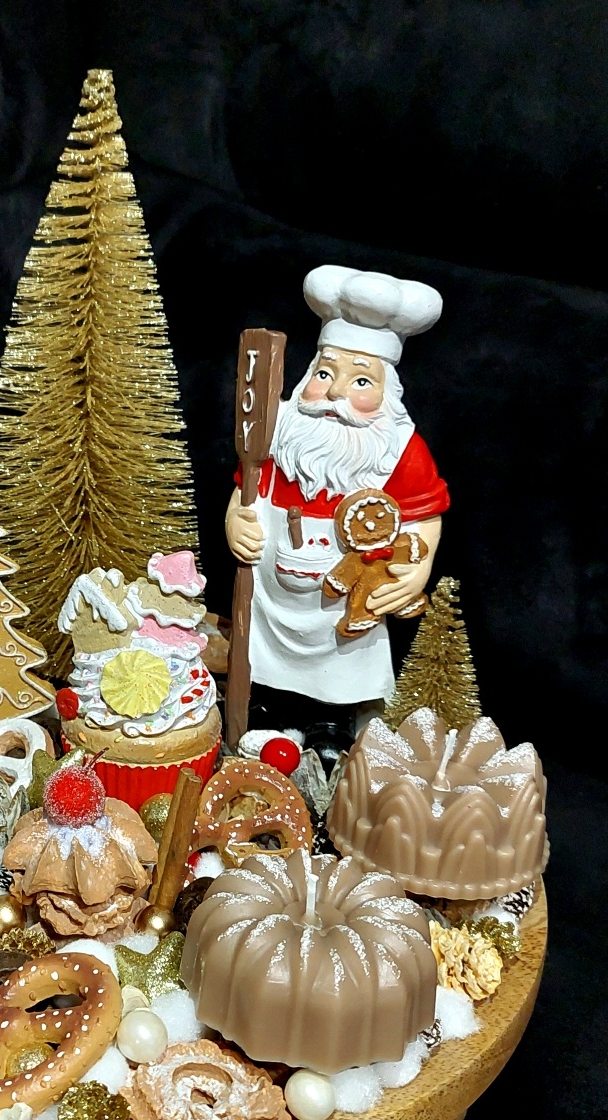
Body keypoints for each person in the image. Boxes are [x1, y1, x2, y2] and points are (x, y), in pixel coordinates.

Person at [226, 265, 449, 758]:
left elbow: (424, 517)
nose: (334, 392)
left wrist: (417, 569)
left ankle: (332, 723)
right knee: (266, 657)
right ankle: (274, 714)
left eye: (360, 380)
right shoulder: (279, 427)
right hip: (272, 596)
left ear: (387, 393)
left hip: (345, 595)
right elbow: (247, 485)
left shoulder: (399, 447)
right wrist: (234, 520)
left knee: (344, 658)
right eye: (325, 373)